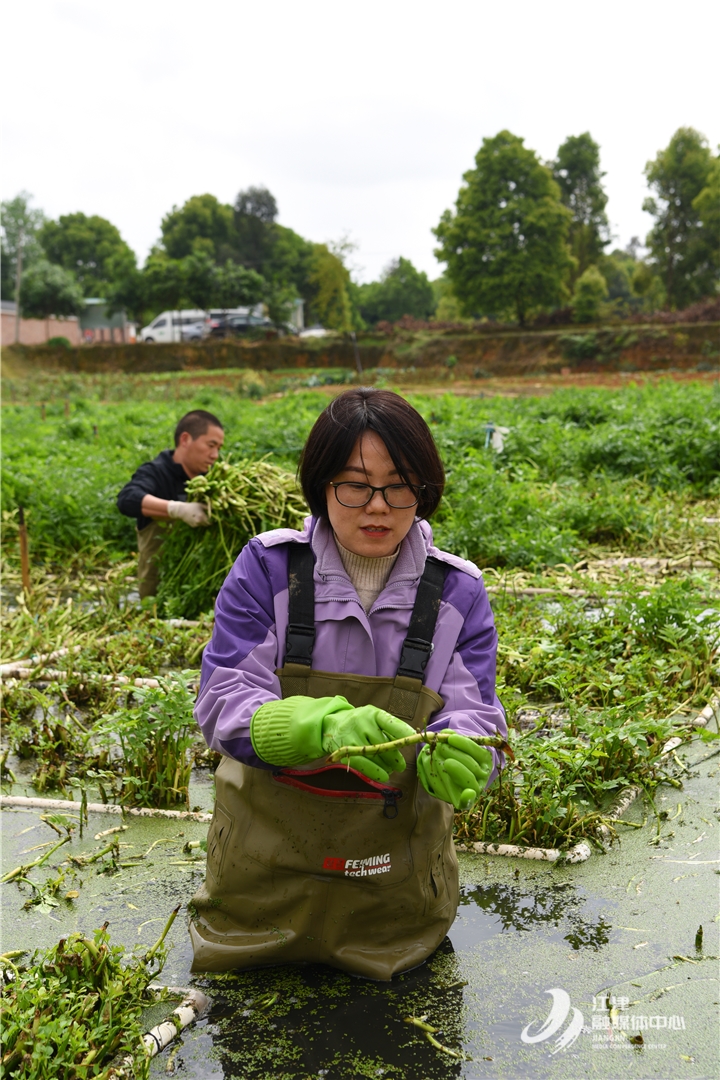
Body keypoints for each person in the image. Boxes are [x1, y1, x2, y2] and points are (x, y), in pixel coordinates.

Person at [189, 389, 506, 980]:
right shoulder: (267, 569)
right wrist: (314, 726)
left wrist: (466, 752)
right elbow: (221, 696)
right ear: (321, 486)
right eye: (355, 485)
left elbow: (476, 712)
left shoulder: (457, 594)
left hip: (394, 907)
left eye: (399, 485)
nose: (378, 507)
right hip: (259, 894)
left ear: (424, 490)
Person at [117, 409, 224, 599]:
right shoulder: (156, 472)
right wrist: (176, 509)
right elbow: (127, 499)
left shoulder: (214, 480)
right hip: (158, 589)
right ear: (185, 440)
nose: (215, 455)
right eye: (211, 445)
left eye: (219, 448)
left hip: (200, 586)